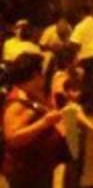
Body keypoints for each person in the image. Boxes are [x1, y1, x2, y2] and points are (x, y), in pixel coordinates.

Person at [2, 53, 70, 188]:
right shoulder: (17, 103)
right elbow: (13, 138)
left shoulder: (32, 96)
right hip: (26, 172)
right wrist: (44, 122)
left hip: (40, 168)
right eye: (41, 74)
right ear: (35, 75)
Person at [69, 4, 93, 114]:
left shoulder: (80, 26)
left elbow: (74, 43)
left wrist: (75, 57)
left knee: (86, 83)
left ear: (81, 14)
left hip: (85, 58)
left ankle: (86, 106)